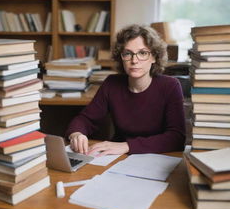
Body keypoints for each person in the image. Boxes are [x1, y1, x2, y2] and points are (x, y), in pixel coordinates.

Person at [65, 24, 186, 156]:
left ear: (154, 57)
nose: (134, 60)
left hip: (157, 157)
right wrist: (76, 134)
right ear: (121, 57)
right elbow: (86, 119)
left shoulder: (170, 86)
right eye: (128, 53)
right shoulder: (112, 84)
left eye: (143, 53)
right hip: (116, 157)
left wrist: (128, 146)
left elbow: (177, 138)